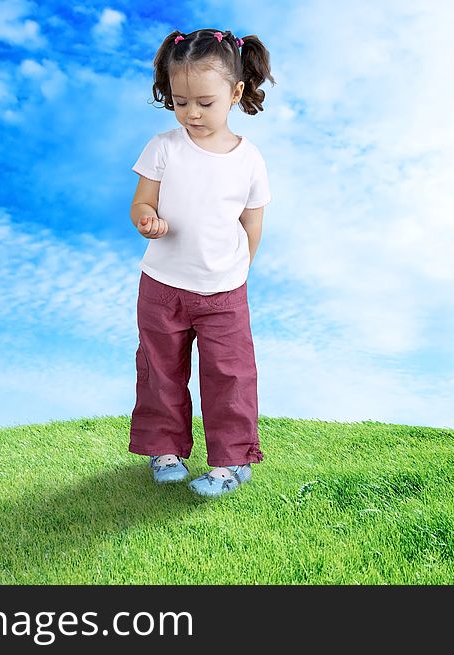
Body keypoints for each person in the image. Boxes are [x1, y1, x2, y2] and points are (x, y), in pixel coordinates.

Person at [128, 28, 275, 498]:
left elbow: (252, 221)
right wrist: (147, 220)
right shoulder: (163, 147)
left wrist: (239, 270)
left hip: (223, 291)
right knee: (160, 368)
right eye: (180, 101)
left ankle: (232, 460)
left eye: (205, 103)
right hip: (162, 285)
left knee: (229, 374)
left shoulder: (249, 159)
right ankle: (165, 448)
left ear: (234, 94)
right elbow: (141, 204)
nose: (191, 113)